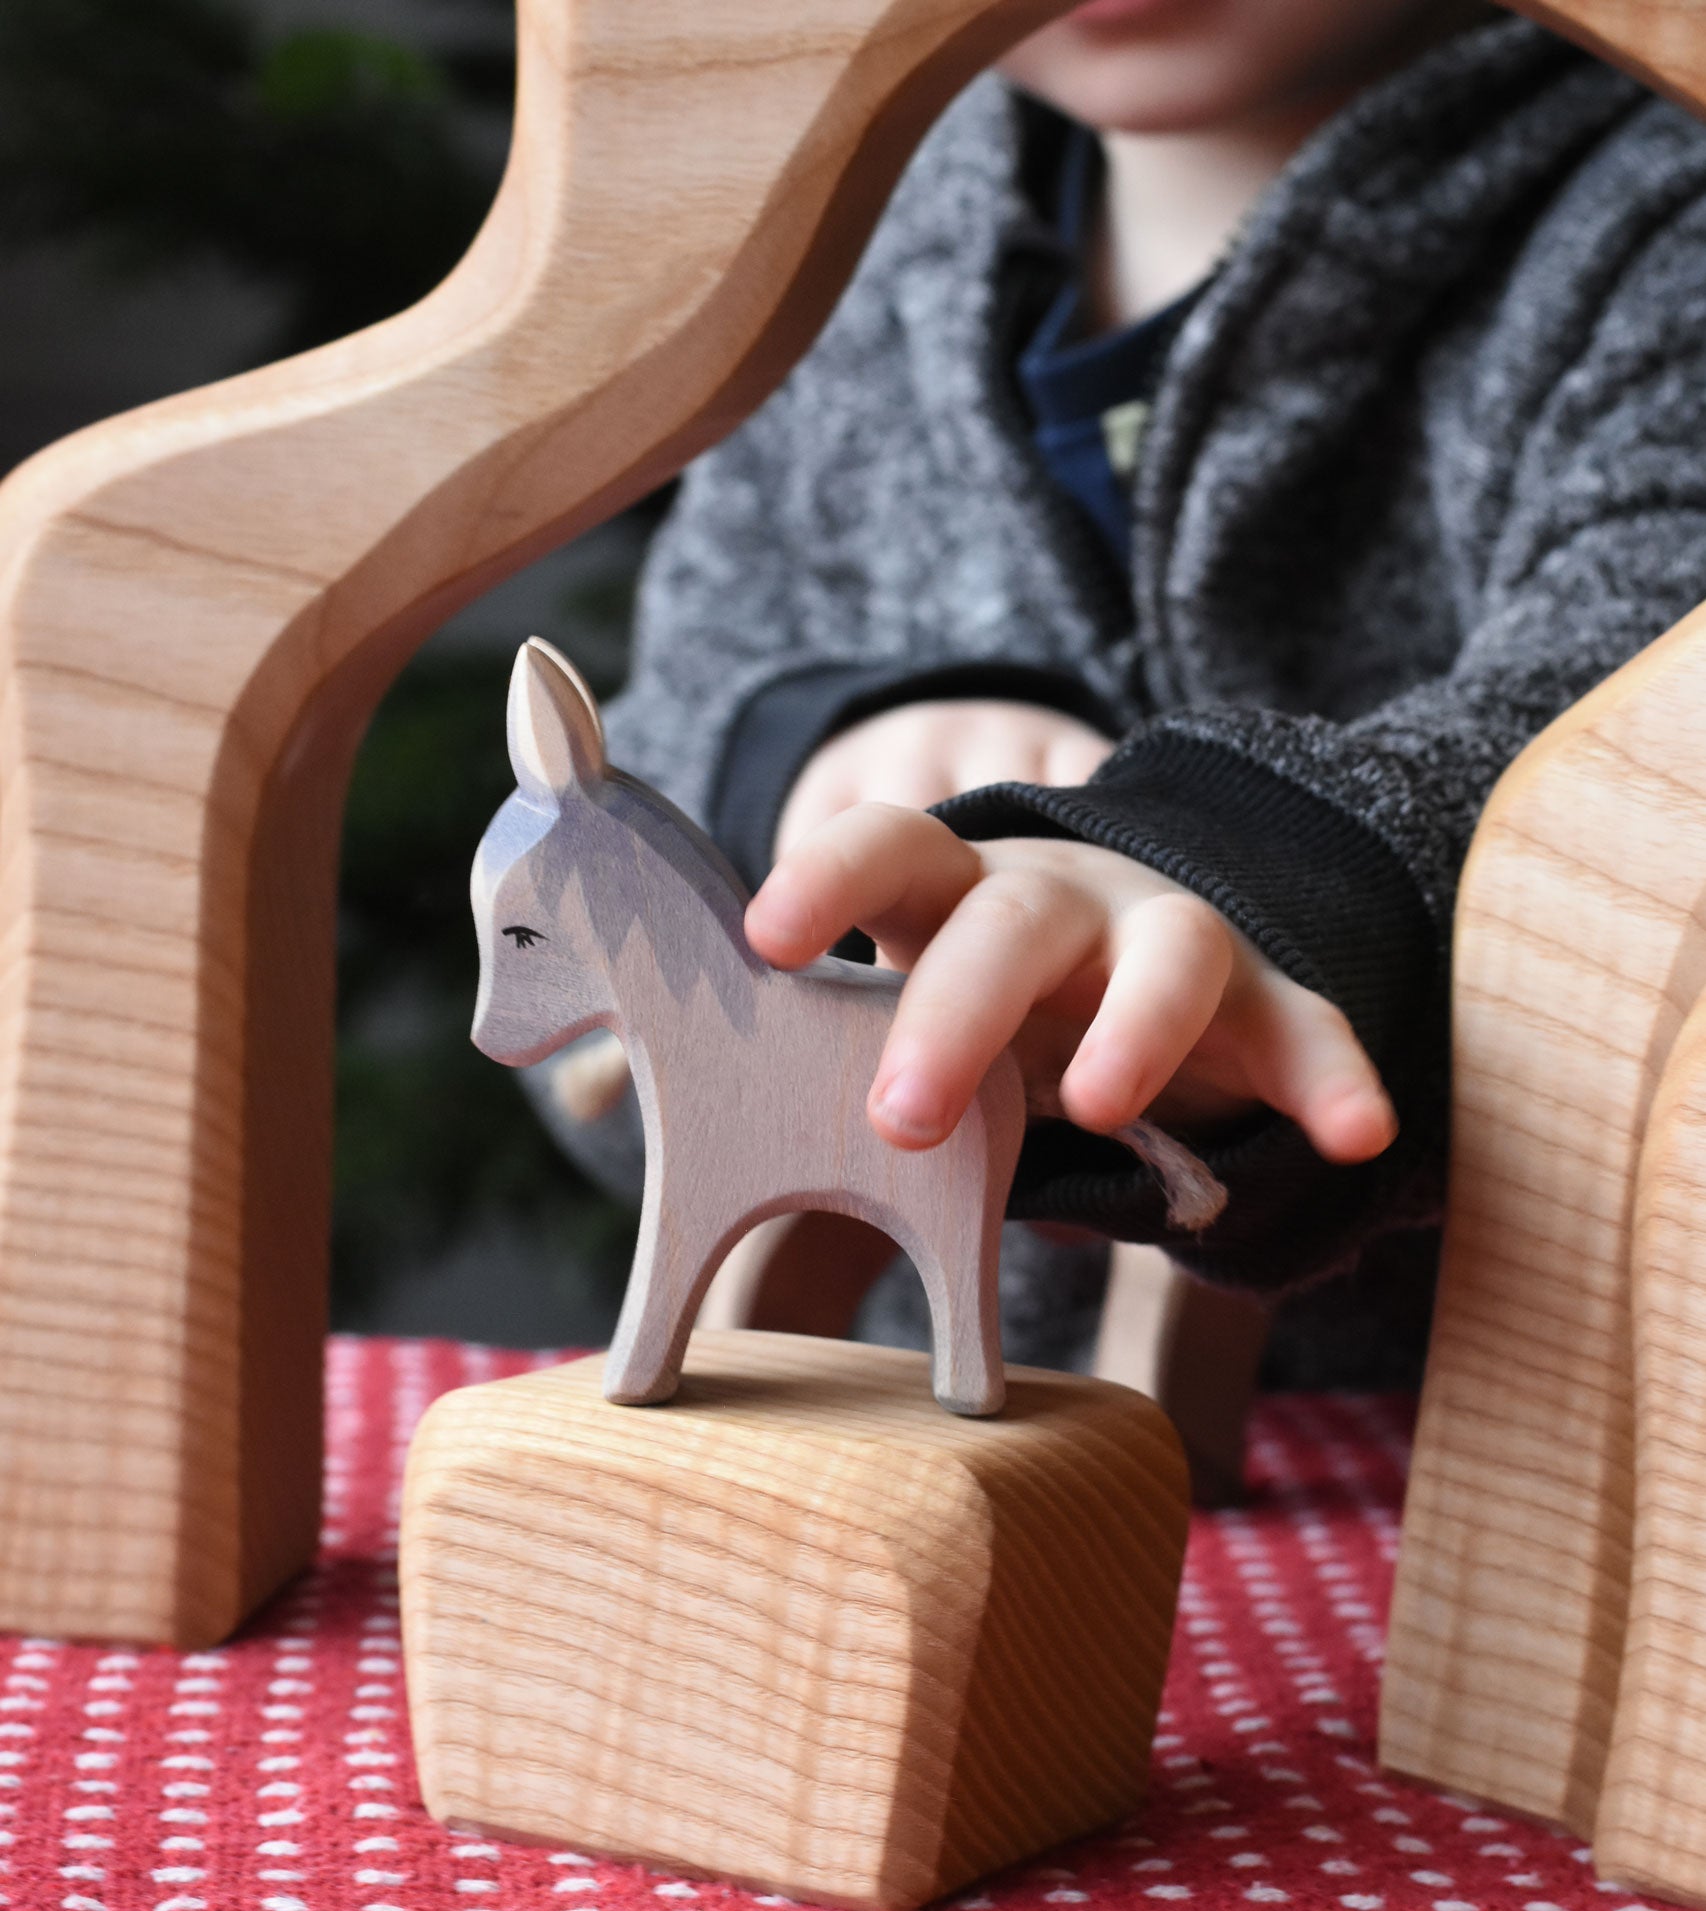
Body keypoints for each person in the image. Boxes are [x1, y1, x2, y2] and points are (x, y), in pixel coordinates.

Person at [541, 0, 1706, 1378]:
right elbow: (599, 1052)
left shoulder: (1656, 228)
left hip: (1503, 1454)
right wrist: (797, 763)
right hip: (957, 1419)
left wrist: (1234, 887)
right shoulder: (860, 220)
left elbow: (1631, 712)